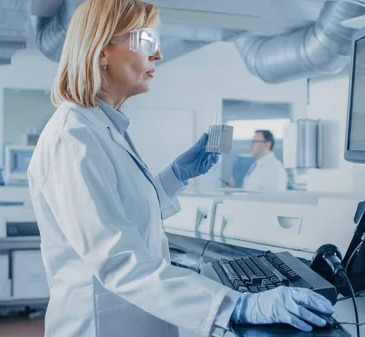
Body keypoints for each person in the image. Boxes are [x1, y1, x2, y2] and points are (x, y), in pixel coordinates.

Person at [27, 1, 333, 336]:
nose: (157, 55)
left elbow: (125, 215)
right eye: (145, 41)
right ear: (102, 51)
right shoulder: (73, 140)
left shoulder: (106, 129)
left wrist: (178, 174)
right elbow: (119, 262)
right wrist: (237, 305)